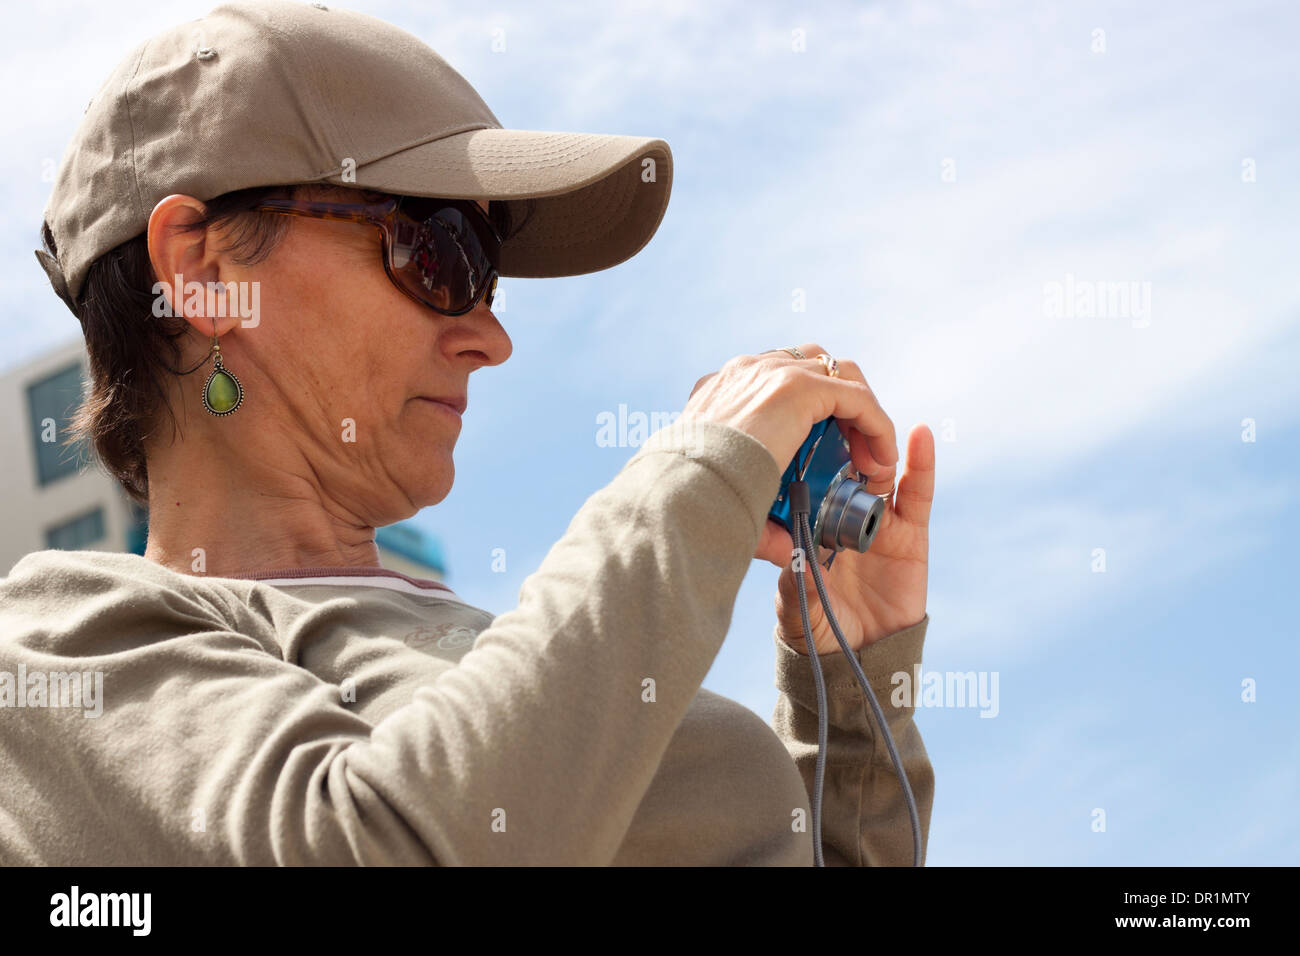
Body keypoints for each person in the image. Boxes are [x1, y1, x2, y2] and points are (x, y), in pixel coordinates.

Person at [1, 0, 936, 865]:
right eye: (439, 250)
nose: (491, 336)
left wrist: (849, 694)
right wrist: (697, 481)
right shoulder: (55, 655)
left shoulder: (521, 666)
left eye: (489, 281)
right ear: (201, 272)